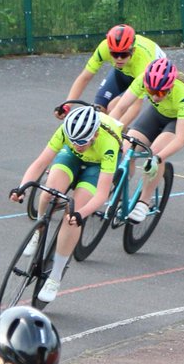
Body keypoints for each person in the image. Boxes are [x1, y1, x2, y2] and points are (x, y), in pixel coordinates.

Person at [11, 104, 124, 305]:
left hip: (97, 167)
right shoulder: (66, 131)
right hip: (71, 158)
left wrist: (81, 214)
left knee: (73, 217)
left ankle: (55, 275)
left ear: (95, 134)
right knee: (48, 192)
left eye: (82, 141)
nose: (77, 143)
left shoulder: (109, 145)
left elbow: (101, 195)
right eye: (73, 140)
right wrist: (21, 188)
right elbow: (40, 163)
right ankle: (38, 231)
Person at [106, 55, 184, 218]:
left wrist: (158, 158)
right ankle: (120, 190)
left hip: (178, 119)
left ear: (169, 87)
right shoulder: (143, 79)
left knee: (155, 153)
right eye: (151, 91)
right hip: (157, 113)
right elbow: (121, 108)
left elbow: (180, 139)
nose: (155, 96)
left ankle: (144, 203)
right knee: (127, 148)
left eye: (161, 92)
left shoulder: (183, 93)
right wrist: (106, 129)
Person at [56, 23, 167, 117]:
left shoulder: (143, 61)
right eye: (114, 54)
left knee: (114, 108)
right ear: (109, 49)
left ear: (132, 50)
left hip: (149, 77)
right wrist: (67, 105)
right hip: (123, 72)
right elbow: (84, 78)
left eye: (124, 54)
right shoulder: (104, 48)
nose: (118, 58)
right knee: (98, 112)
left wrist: (114, 129)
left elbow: (135, 107)